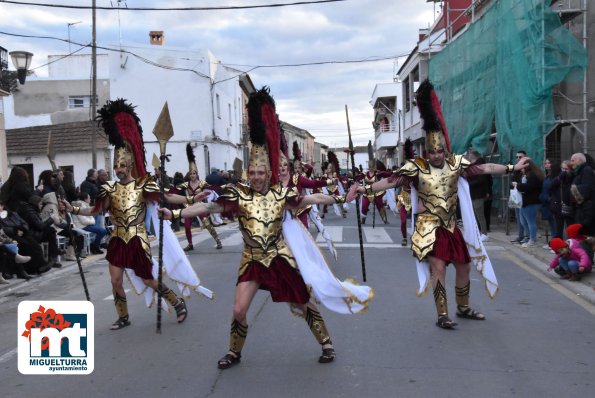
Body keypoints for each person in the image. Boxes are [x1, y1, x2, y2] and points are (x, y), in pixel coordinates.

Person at [161, 87, 372, 368]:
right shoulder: (238, 194)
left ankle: (326, 343)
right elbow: (208, 207)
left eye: (262, 172)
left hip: (280, 255)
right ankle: (234, 352)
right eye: (254, 173)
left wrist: (341, 197)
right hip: (252, 259)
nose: (257, 177)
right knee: (238, 310)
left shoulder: (281, 195)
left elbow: (312, 197)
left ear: (269, 173)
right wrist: (174, 212)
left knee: (302, 302)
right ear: (248, 173)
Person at [348, 79, 527, 329]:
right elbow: (391, 181)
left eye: (439, 151)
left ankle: (463, 307)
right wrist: (365, 189)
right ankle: (442, 314)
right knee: (439, 267)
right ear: (427, 152)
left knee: (464, 266)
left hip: (451, 226)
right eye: (431, 152)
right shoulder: (416, 168)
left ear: (444, 150)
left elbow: (485, 167)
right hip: (427, 227)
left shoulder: (455, 164)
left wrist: (511, 167)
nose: (435, 155)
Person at [63, 98, 191, 330]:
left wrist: (191, 199)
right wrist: (71, 209)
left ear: (130, 165)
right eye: (116, 166)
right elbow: (94, 210)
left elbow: (168, 198)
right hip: (117, 240)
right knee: (115, 280)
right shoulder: (109, 189)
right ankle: (123, 316)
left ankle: (177, 301)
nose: (119, 169)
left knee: (148, 279)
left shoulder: (144, 186)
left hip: (137, 240)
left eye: (123, 166)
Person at [169, 144, 222, 252]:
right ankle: (190, 244)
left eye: (194, 173)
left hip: (200, 206)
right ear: (189, 175)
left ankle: (218, 241)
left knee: (207, 224)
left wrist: (224, 187)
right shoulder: (185, 184)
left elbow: (212, 188)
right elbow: (174, 189)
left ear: (197, 174)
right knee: (187, 226)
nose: (193, 175)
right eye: (191, 174)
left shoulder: (202, 183)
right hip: (189, 207)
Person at [513, 159, 543, 248]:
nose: (520, 168)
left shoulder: (533, 175)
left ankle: (532, 239)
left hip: (531, 202)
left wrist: (517, 185)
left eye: (521, 165)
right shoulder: (526, 175)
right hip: (525, 201)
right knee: (523, 221)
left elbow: (529, 187)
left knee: (530, 221)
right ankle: (529, 237)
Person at [467, 150, 491, 241]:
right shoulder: (474, 165)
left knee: (480, 214)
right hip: (474, 193)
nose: (468, 155)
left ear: (473, 155)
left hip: (478, 193)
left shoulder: (480, 164)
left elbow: (481, 180)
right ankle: (479, 232)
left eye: (469, 154)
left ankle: (484, 233)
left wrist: (468, 183)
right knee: (476, 214)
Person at [569, 153, 595, 235]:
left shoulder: (586, 170)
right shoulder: (580, 171)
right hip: (582, 210)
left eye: (572, 160)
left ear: (579, 160)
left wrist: (573, 190)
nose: (571, 162)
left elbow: (586, 189)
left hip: (586, 210)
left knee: (586, 235)